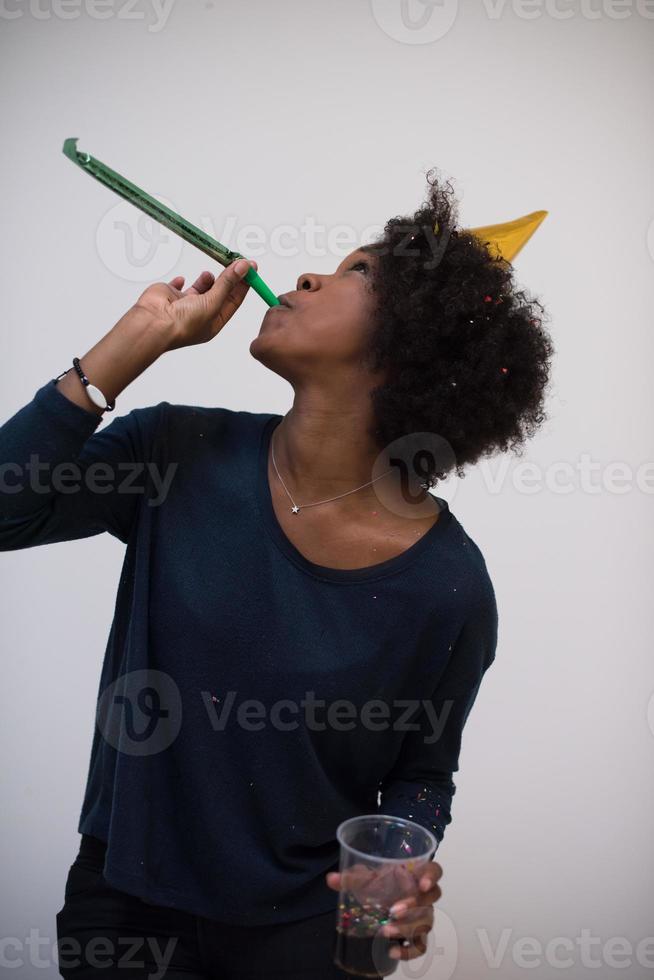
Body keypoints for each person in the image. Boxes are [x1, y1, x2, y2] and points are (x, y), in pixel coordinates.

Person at [0, 170, 554, 978]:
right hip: (123, 917)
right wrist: (129, 348)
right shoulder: (174, 454)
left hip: (310, 941)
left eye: (358, 272)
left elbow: (422, 773)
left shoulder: (451, 587)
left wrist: (404, 873)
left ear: (408, 351)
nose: (307, 277)